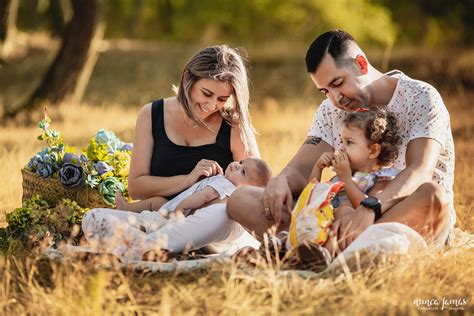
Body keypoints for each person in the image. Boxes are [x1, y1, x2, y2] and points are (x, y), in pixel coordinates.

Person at [227, 29, 454, 256]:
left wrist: (371, 207)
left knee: (434, 196)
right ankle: (331, 251)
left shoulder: (422, 96)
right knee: (241, 198)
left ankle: (309, 249)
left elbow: (420, 170)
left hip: (404, 213)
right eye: (325, 91)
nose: (336, 99)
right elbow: (300, 168)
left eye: (338, 83)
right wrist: (280, 181)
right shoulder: (330, 111)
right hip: (341, 215)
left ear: (361, 64)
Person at [82, 45, 264, 260]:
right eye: (206, 93)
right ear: (188, 78)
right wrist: (188, 180)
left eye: (222, 99)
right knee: (94, 217)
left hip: (211, 225)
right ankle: (162, 249)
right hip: (160, 217)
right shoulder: (151, 114)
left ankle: (144, 249)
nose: (211, 105)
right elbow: (137, 187)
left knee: (221, 215)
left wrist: (209, 199)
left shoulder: (233, 123)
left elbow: (254, 189)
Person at [287, 108, 401, 261]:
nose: (340, 147)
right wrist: (318, 168)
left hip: (346, 233)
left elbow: (368, 207)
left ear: (373, 150)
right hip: (320, 226)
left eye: (349, 142)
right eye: (341, 141)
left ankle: (321, 255)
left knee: (344, 211)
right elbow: (313, 195)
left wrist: (346, 179)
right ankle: (286, 249)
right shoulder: (340, 175)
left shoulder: (380, 179)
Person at [115, 157, 272, 233]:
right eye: (242, 162)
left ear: (247, 189)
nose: (237, 165)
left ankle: (134, 219)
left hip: (180, 212)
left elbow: (203, 197)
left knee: (155, 212)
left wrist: (180, 208)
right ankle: (128, 208)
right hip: (174, 205)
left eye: (242, 171)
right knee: (156, 202)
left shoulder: (227, 187)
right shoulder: (223, 179)